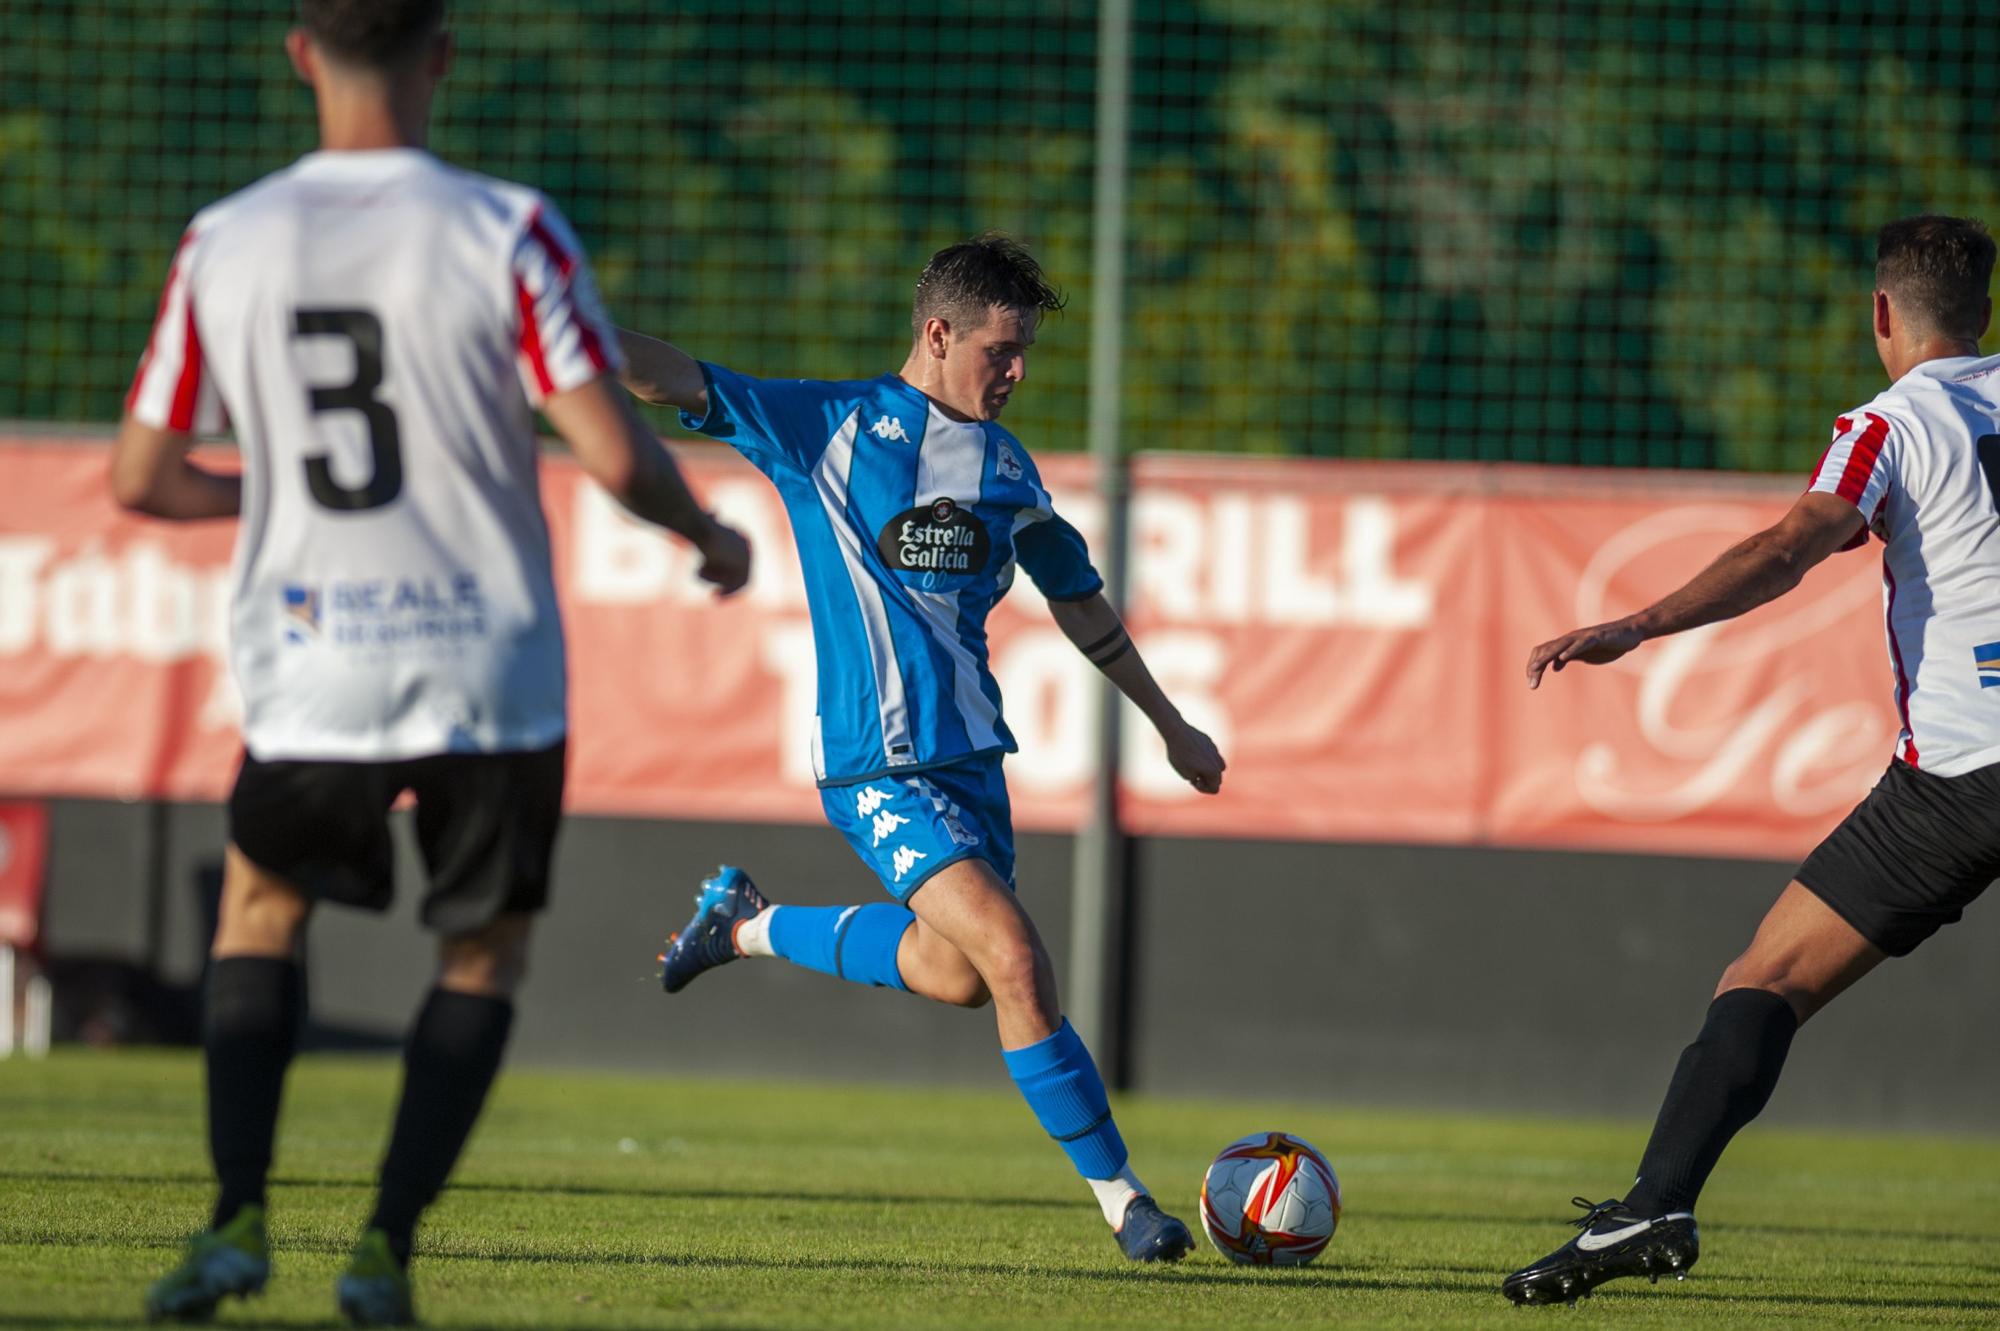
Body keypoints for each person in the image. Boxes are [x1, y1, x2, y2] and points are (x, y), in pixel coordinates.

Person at [120, 2, 750, 1324]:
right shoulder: (506, 228)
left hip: (313, 656)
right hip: (488, 665)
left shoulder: (223, 241)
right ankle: (385, 1245)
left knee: (259, 912)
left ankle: (237, 1211)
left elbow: (145, 476)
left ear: (300, 54)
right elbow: (619, 454)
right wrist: (708, 531)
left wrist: (280, 497)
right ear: (443, 56)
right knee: (480, 951)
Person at [619, 234, 1227, 1261]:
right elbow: (676, 374)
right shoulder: (823, 424)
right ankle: (1127, 1202)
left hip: (973, 763)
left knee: (953, 973)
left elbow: (1076, 600)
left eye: (1026, 350)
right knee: (1014, 956)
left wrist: (1169, 721)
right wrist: (557, 332)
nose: (1019, 371)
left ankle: (744, 924)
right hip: (874, 763)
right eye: (1002, 350)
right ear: (937, 334)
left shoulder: (1005, 467)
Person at [1503, 214, 1997, 1305]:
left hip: (1959, 776)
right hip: (1957, 772)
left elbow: (1789, 546)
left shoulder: (1887, 425)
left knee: (1762, 978)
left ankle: (1654, 1204)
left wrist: (1637, 622)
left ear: (1879, 313)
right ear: (1985, 312)